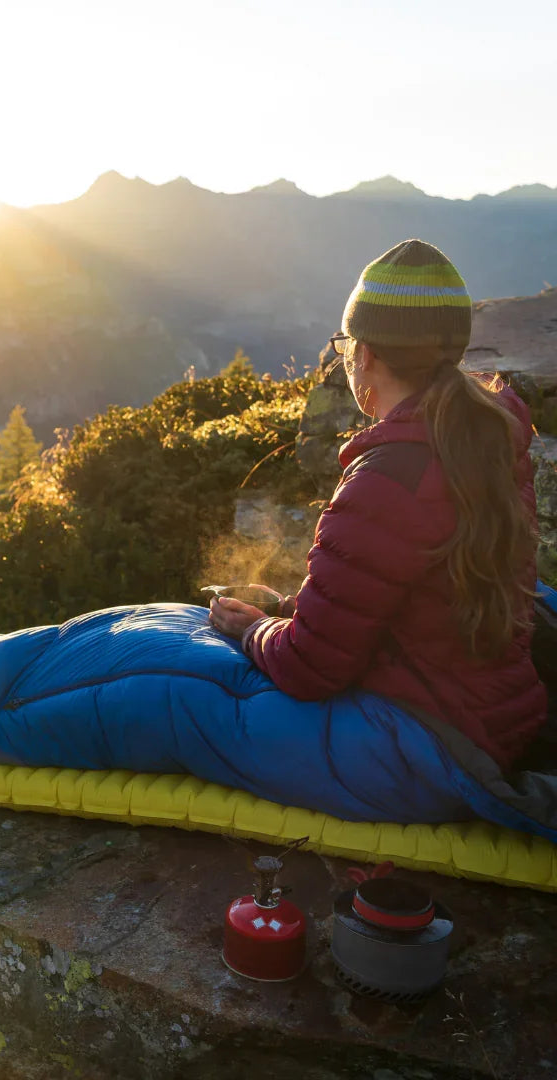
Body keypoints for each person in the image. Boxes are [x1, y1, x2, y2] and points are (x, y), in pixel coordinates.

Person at [208, 239, 546, 771]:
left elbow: (308, 669)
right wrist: (296, 610)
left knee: (194, 704)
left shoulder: (386, 478)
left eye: (347, 346)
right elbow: (421, 592)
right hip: (498, 717)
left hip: (432, 746)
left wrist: (251, 630)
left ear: (364, 354)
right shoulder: (489, 437)